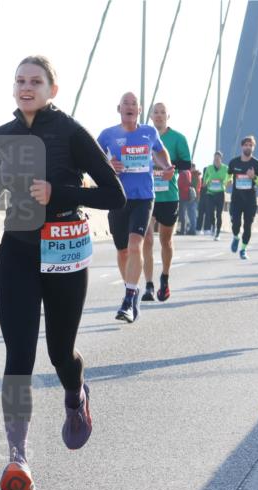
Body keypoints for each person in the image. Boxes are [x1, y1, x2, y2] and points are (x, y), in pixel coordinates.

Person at [0, 55, 125, 490]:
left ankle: (76, 395)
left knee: (60, 352)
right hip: (17, 250)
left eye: (35, 81)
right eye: (20, 80)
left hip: (64, 249)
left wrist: (59, 191)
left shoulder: (71, 133)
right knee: (18, 354)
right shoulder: (2, 136)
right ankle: (17, 457)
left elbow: (114, 195)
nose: (26, 87)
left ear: (52, 90)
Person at [97, 92, 174, 322]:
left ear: (139, 111)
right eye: (125, 104)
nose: (129, 107)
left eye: (134, 104)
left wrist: (167, 166)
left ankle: (128, 299)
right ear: (118, 108)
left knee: (135, 245)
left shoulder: (148, 132)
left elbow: (160, 151)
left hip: (143, 197)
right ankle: (132, 289)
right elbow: (93, 158)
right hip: (118, 197)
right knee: (122, 252)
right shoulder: (107, 134)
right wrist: (109, 165)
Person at [140, 102, 191, 301]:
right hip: (146, 194)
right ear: (150, 116)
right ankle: (149, 285)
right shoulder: (142, 136)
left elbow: (187, 163)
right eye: (156, 112)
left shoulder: (178, 138)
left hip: (169, 196)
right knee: (147, 240)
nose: (159, 116)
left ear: (168, 116)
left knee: (166, 241)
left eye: (163, 113)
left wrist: (169, 167)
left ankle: (165, 278)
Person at [226, 135, 258, 259]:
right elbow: (228, 176)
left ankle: (243, 250)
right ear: (241, 146)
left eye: (250, 145)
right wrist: (228, 181)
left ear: (253, 148)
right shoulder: (234, 162)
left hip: (250, 200)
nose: (248, 147)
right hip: (236, 199)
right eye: (246, 145)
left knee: (248, 226)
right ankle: (235, 237)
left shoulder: (257, 164)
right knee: (235, 223)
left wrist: (254, 177)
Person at [201, 152, 228, 239]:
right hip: (210, 193)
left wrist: (227, 181)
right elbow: (205, 179)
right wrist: (205, 183)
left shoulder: (225, 168)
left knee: (219, 214)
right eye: (215, 158)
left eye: (218, 158)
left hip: (220, 193)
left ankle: (218, 233)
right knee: (210, 212)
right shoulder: (209, 168)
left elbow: (229, 177)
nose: (216, 159)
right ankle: (213, 225)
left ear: (221, 159)